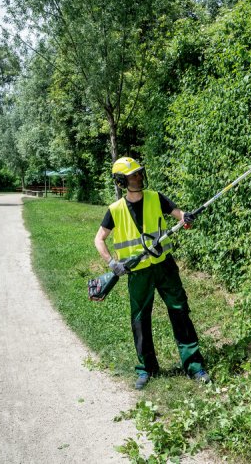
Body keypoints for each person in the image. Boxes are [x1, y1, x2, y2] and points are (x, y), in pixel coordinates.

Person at [94, 156, 210, 390]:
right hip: (138, 274)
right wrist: (111, 263)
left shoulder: (156, 198)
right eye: (133, 175)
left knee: (179, 311)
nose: (139, 176)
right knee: (140, 320)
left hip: (164, 267)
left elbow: (179, 214)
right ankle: (146, 368)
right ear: (121, 182)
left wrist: (186, 219)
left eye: (139, 172)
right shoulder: (114, 210)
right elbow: (99, 239)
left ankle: (194, 365)